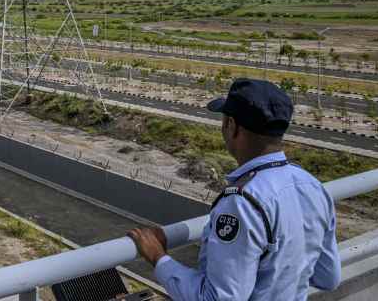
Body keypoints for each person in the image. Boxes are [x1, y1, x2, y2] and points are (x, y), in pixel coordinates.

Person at [127, 78, 341, 300]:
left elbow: (218, 298)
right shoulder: (312, 186)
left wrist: (158, 258)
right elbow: (328, 277)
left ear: (231, 125)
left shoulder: (243, 203)